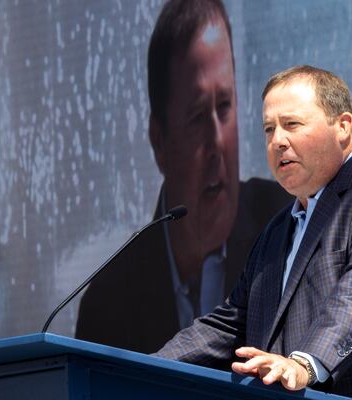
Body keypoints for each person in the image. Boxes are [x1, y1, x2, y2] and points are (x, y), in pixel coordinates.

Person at [154, 65, 352, 399]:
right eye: (268, 129)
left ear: (343, 128)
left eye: (292, 124)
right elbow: (227, 327)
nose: (277, 141)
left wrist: (306, 363)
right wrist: (136, 368)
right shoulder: (276, 233)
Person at [75, 0, 290, 353]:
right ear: (159, 141)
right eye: (196, 117)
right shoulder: (110, 302)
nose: (217, 142)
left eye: (224, 106)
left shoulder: (288, 227)